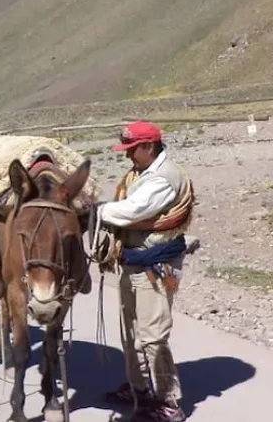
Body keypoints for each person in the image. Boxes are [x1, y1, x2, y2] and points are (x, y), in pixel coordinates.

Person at [97, 121, 195, 422]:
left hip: (157, 266)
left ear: (149, 146)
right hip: (133, 262)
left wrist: (96, 210)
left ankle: (168, 401)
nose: (128, 156)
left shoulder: (164, 179)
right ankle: (139, 388)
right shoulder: (140, 173)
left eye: (132, 149)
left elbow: (132, 211)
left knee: (152, 336)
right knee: (131, 332)